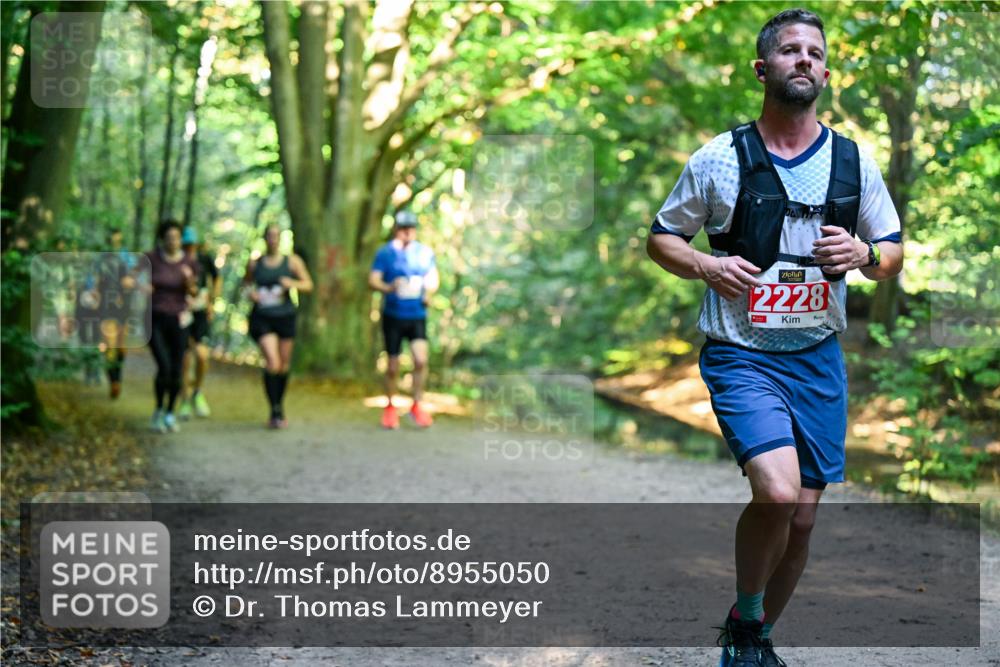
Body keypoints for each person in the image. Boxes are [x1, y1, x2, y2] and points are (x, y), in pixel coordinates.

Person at [645, 9, 903, 666]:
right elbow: (662, 238)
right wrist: (705, 264)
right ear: (764, 69)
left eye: (815, 51)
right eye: (790, 50)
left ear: (826, 73)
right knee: (779, 494)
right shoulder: (719, 159)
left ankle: (750, 635)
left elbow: (894, 251)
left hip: (818, 358)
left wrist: (865, 254)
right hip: (742, 354)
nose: (804, 59)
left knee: (805, 518)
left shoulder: (852, 161)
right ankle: (748, 623)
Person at [368, 210, 439, 429]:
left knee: (421, 360)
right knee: (392, 365)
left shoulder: (424, 253)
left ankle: (417, 405)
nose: (407, 232)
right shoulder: (385, 253)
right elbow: (373, 280)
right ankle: (390, 407)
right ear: (396, 229)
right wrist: (388, 287)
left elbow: (433, 278)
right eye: (403, 228)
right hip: (393, 316)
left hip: (417, 316)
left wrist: (428, 294)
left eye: (411, 228)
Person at [242, 224, 313, 429]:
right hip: (263, 318)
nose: (273, 239)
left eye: (276, 235)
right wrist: (251, 294)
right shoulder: (255, 264)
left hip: (285, 317)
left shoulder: (292, 262)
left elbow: (308, 284)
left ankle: (279, 407)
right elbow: (246, 284)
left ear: (281, 238)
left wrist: (292, 283)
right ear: (264, 238)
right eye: (270, 235)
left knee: (283, 365)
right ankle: (274, 409)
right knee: (273, 363)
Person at [139, 219, 199, 433]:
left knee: (176, 369)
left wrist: (189, 282)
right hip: (154, 319)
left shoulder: (189, 262)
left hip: (179, 320)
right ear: (162, 239)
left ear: (181, 239)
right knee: (163, 367)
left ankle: (170, 412)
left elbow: (195, 292)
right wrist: (143, 287)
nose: (173, 241)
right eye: (169, 238)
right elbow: (132, 281)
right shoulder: (151, 258)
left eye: (176, 237)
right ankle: (158, 409)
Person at [178, 226, 220, 419]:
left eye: (191, 245)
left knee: (202, 355)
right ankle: (185, 399)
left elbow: (216, 278)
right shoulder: (178, 261)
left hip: (201, 312)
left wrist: (212, 300)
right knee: (185, 359)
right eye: (186, 245)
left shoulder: (204, 259)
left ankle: (197, 392)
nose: (189, 248)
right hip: (182, 312)